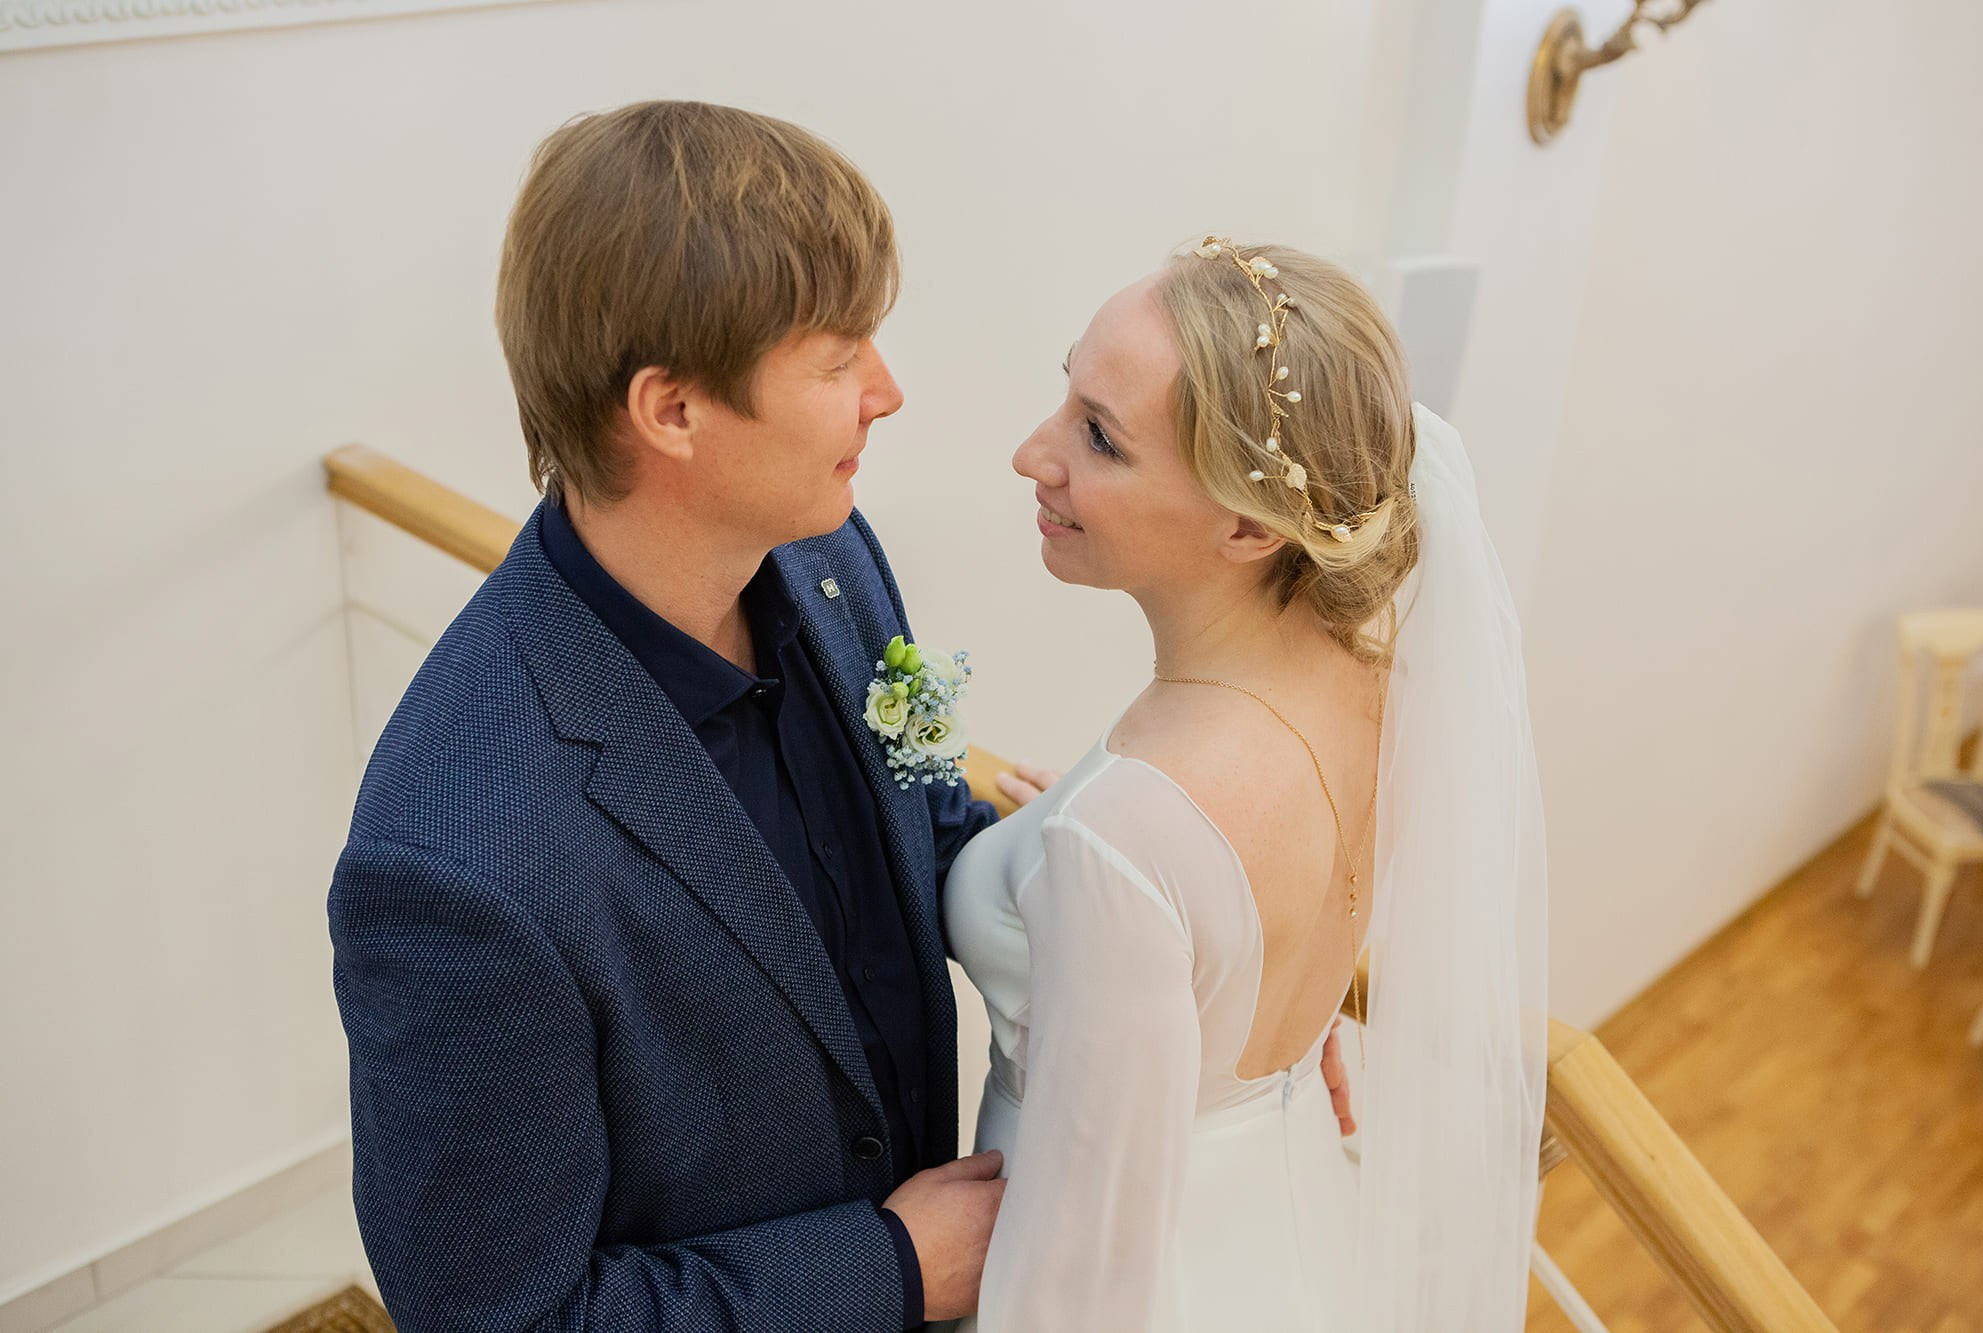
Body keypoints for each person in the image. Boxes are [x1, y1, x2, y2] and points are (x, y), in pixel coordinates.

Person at [327, 101, 1052, 1332]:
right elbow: (508, 1316)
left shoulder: (835, 556)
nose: (885, 392)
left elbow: (929, 798)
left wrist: (1227, 976)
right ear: (671, 411)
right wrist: (887, 1268)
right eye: (836, 361)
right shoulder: (451, 867)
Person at [943, 238, 1549, 1330]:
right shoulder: (1384, 694)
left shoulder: (1124, 832)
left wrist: (1084, 854)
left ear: (1247, 525)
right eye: (1065, 389)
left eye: (1098, 437)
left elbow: (1077, 1285)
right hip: (1286, 1224)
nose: (1032, 453)